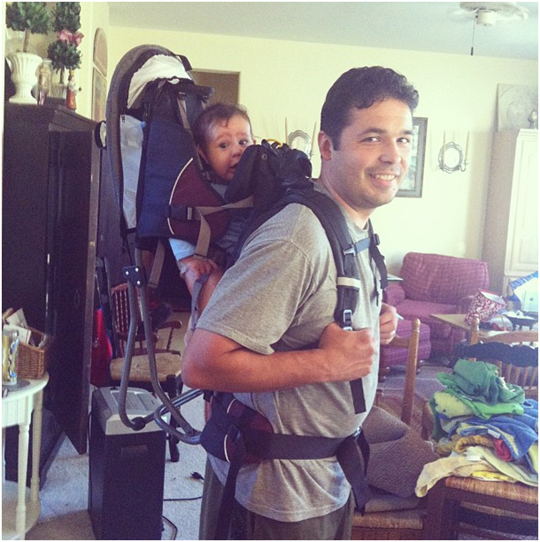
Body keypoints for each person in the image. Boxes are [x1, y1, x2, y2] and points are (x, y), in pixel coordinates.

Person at [182, 66, 419, 540]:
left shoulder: (356, 224)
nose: (393, 155)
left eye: (404, 139)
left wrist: (377, 319)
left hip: (325, 477)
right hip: (278, 495)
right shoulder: (296, 238)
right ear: (327, 146)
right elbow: (201, 365)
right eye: (373, 138)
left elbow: (319, 311)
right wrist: (328, 364)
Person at [169, 102, 255, 314]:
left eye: (243, 142)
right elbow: (175, 224)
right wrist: (188, 258)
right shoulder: (200, 189)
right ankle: (211, 326)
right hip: (206, 258)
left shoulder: (260, 184)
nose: (237, 151)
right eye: (223, 145)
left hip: (247, 259)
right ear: (204, 154)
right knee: (206, 279)